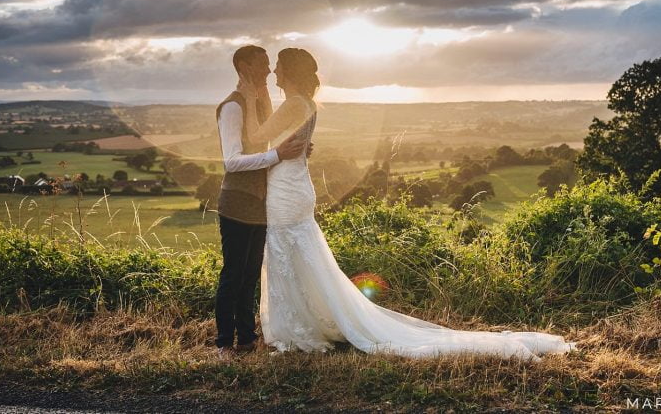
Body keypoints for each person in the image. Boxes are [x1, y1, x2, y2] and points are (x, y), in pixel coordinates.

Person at [236, 47, 577, 361]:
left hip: (286, 190)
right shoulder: (303, 103)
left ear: (290, 72)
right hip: (293, 186)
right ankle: (308, 323)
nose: (275, 73)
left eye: (279, 68)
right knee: (296, 254)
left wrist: (251, 96)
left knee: (287, 251)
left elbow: (252, 138)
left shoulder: (294, 103)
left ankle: (302, 329)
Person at [214, 45, 310, 360]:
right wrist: (278, 155)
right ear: (243, 66)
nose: (269, 70)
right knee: (233, 274)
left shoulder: (259, 103)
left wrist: (295, 151)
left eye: (271, 64)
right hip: (237, 200)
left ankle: (247, 338)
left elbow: (271, 142)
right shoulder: (233, 107)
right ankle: (224, 343)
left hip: (261, 201)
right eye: (262, 64)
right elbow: (232, 162)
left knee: (251, 272)